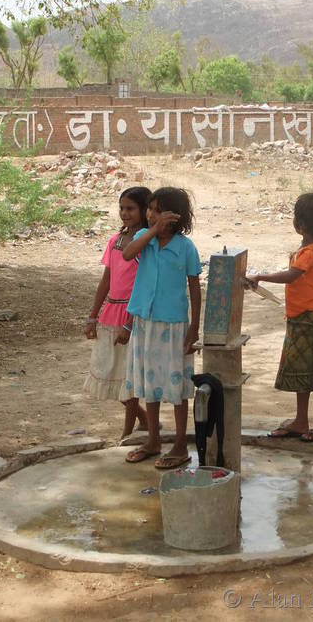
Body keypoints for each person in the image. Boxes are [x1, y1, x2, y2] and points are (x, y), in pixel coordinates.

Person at [247, 191, 313, 442]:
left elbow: (291, 276)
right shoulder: (309, 249)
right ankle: (302, 419)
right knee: (303, 371)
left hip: (308, 319)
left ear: (301, 223)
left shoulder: (310, 252)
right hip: (301, 317)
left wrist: (261, 276)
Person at [122, 187, 202, 468]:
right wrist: (153, 230)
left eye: (157, 209)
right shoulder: (146, 241)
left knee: (177, 387)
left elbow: (194, 288)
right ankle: (153, 439)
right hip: (145, 322)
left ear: (174, 215)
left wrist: (194, 329)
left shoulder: (186, 248)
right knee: (150, 383)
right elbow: (127, 254)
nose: (151, 213)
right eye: (150, 209)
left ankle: (180, 445)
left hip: (174, 326)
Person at [84, 186, 152, 440]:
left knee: (128, 377)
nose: (124, 213)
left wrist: (130, 323)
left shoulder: (144, 245)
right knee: (107, 371)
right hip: (111, 312)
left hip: (131, 315)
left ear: (145, 211)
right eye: (122, 208)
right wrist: (92, 316)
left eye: (130, 208)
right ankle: (143, 420)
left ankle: (127, 433)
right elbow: (106, 280)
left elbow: (144, 286)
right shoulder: (115, 240)